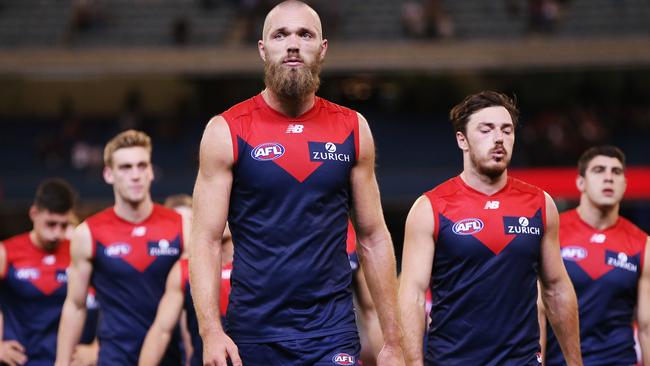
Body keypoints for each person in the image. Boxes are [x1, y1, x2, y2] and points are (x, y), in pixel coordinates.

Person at [189, 1, 404, 365]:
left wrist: (393, 341)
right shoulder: (226, 130)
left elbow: (373, 237)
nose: (292, 44)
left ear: (322, 49)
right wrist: (211, 332)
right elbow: (206, 239)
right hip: (253, 333)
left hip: (330, 331)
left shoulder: (352, 128)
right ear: (262, 48)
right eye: (280, 34)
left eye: (304, 34)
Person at [398, 90, 583, 365]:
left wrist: (575, 362)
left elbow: (556, 289)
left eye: (507, 131)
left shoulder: (540, 204)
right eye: (486, 130)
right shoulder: (429, 208)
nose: (499, 138)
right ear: (462, 139)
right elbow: (411, 294)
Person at [55, 130, 186, 366]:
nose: (135, 175)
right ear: (108, 174)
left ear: (150, 171)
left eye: (141, 165)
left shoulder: (180, 225)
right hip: (114, 358)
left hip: (171, 356)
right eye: (125, 168)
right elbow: (75, 305)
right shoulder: (88, 233)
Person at [543, 145, 649, 365]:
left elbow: (647, 327)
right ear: (581, 182)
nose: (608, 178)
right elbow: (539, 312)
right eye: (599, 170)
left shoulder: (643, 244)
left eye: (616, 172)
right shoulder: (553, 233)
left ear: (625, 184)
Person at [0, 178, 76, 366]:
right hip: (19, 360)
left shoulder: (77, 252)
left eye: (63, 225)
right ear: (34, 213)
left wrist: (95, 347)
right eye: (51, 224)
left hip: (63, 360)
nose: (57, 233)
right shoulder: (6, 252)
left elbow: (110, 301)